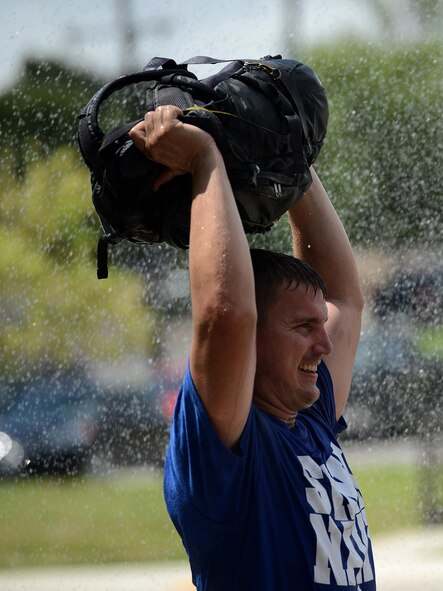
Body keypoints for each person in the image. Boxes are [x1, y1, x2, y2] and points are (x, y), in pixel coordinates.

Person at [129, 105, 374, 590]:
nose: (324, 343)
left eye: (319, 325)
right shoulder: (228, 448)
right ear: (252, 340)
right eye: (303, 326)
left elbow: (344, 296)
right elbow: (226, 314)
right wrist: (205, 160)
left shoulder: (310, 420)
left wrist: (290, 159)